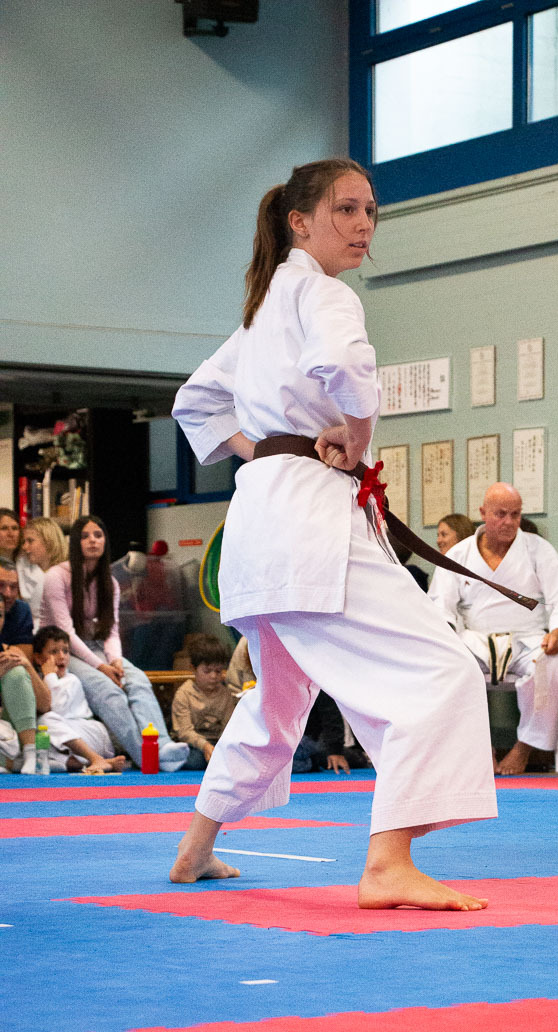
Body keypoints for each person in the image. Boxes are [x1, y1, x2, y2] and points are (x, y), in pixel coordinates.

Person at [170, 157, 497, 910]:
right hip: (311, 524)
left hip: (261, 523)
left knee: (278, 702)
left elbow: (196, 402)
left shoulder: (262, 312)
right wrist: (355, 436)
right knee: (445, 669)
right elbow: (346, 365)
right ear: (300, 221)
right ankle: (388, 863)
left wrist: (264, 449)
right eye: (346, 209)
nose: (362, 225)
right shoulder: (322, 293)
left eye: (371, 211)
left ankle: (194, 850)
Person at [429, 483, 558, 776]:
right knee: (447, 664)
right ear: (483, 513)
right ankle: (478, 747)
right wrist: (447, 635)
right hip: (474, 640)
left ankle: (523, 748)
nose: (509, 522)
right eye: (500, 514)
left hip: (528, 639)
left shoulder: (538, 549)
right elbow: (440, 603)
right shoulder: (459, 553)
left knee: (553, 664)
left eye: (515, 514)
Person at [39, 514, 190, 772]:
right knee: (109, 691)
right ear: (75, 542)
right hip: (62, 650)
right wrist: (102, 667)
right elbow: (66, 632)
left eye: (98, 535)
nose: (92, 541)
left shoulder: (110, 582)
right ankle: (146, 756)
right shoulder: (56, 576)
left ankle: (162, 745)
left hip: (96, 647)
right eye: (85, 536)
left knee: (137, 679)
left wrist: (116, 662)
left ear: (105, 542)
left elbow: (110, 631)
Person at [32, 625, 126, 773]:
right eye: (54, 652)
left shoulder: (71, 680)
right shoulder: (39, 680)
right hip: (69, 738)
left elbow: (56, 709)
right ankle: (100, 763)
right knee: (39, 743)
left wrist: (50, 676)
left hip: (91, 733)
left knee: (45, 720)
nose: (62, 656)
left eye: (65, 651)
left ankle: (95, 758)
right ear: (38, 658)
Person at [0, 578, 50, 773]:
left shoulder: (10, 653)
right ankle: (17, 764)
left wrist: (27, 667)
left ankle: (31, 754)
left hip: (10, 733)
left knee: (16, 672)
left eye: (0, 615)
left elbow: (45, 705)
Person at [171, 635, 237, 770]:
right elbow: (184, 732)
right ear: (193, 668)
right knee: (195, 760)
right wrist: (205, 745)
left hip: (217, 742)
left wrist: (221, 748)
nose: (213, 676)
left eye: (218, 671)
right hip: (192, 744)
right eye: (207, 671)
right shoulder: (183, 694)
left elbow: (228, 728)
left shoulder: (226, 694)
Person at [16, 517, 68, 630]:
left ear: (49, 542)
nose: (24, 547)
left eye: (30, 541)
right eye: (24, 542)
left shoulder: (67, 574)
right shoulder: (23, 567)